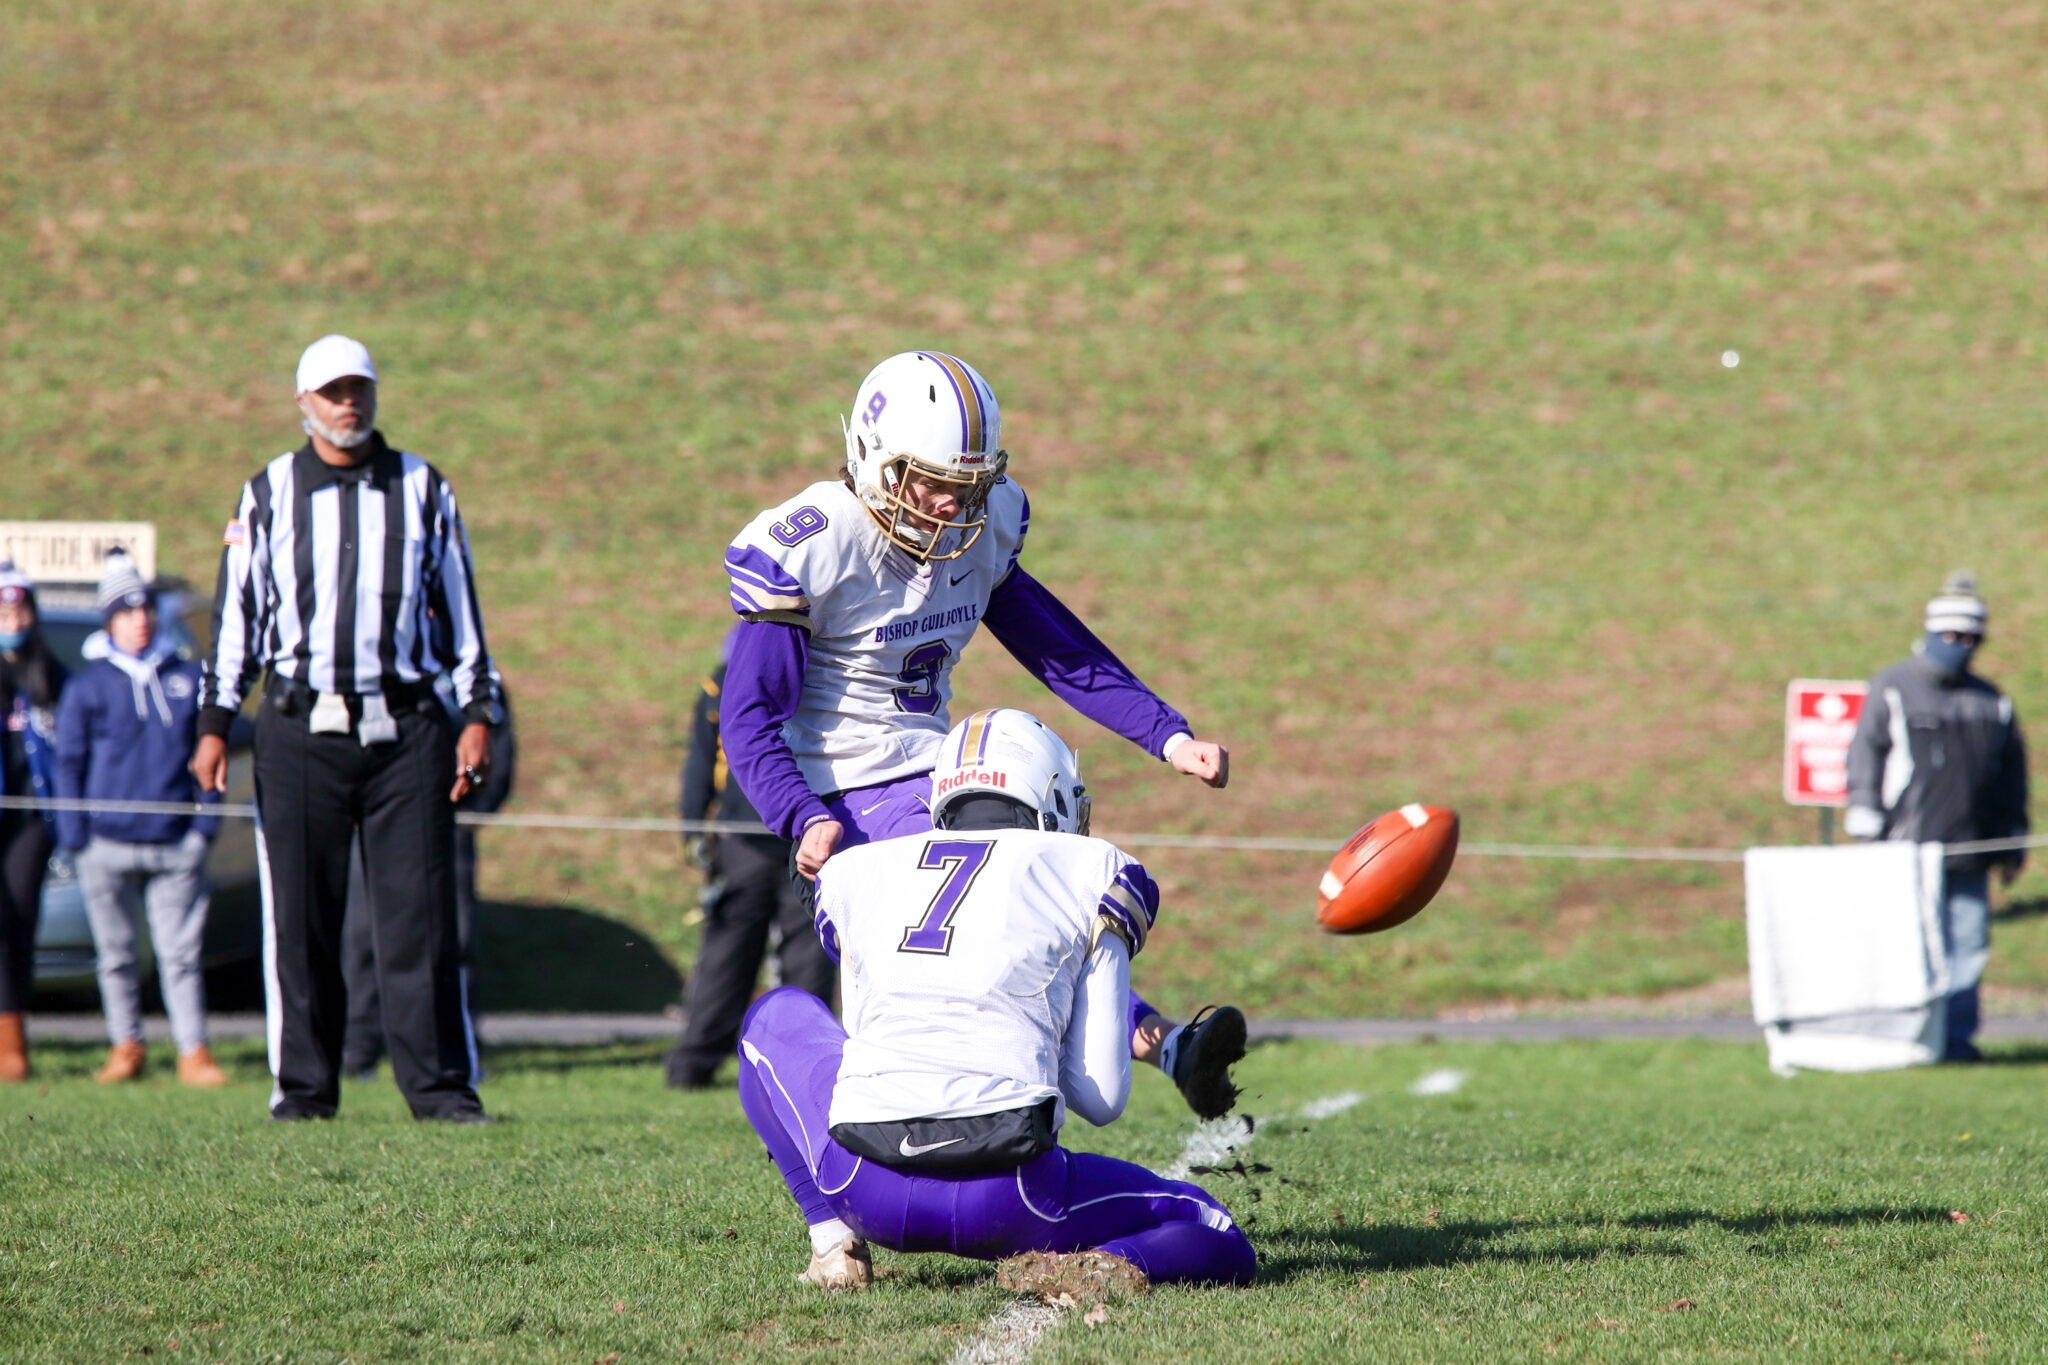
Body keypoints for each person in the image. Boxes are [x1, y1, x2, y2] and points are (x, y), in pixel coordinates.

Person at [721, 351, 1244, 1120]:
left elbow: (1057, 646)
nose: (947, 503)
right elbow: (749, 718)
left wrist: (1168, 736)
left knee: (1039, 875)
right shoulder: (815, 543)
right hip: (844, 786)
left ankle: (1162, 1045)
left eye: (967, 486)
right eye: (928, 480)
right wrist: (802, 815)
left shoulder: (983, 527)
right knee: (997, 928)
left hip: (935, 773)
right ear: (873, 459)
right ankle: (1151, 1050)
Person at [740, 708, 1256, 1293]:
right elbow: (1101, 1097)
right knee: (1213, 1226)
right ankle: (1115, 1265)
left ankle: (833, 1244)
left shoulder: (858, 871)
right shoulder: (1091, 869)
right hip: (1010, 1199)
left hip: (862, 1186)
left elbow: (859, 1038)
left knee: (772, 1016)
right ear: (1052, 795)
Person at [193, 334, 504, 1122]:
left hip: (407, 731)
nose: (348, 403)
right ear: (303, 403)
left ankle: (439, 1091)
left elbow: (462, 614)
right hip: (300, 730)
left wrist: (478, 713)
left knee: (419, 918)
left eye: (359, 387)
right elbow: (238, 619)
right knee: (300, 923)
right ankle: (303, 1091)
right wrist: (214, 722)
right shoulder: (265, 495)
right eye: (331, 391)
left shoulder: (424, 487)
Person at [54, 553, 228, 1087]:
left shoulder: (188, 677)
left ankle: (192, 1051)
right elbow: (68, 764)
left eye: (147, 609)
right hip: (105, 845)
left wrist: (205, 828)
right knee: (116, 956)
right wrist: (75, 837)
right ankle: (126, 1045)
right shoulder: (87, 687)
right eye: (128, 612)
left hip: (175, 843)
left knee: (180, 956)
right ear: (111, 620)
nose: (140, 619)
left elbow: (211, 753)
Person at [1845, 570, 2028, 1062]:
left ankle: (1955, 1042)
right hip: (1905, 849)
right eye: (1951, 636)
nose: (1961, 645)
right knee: (1904, 951)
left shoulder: (1993, 701)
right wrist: (1863, 816)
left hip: (1971, 853)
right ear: (1930, 632)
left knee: (1967, 950)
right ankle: (1902, 1039)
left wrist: (2013, 842)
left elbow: (2011, 779)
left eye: (1971, 638)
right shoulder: (1892, 687)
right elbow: (1865, 754)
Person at [666, 626, 833, 1090]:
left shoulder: (824, 673)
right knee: (727, 955)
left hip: (810, 834)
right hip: (744, 838)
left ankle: (809, 1067)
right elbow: (702, 760)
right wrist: (692, 826)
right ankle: (694, 1062)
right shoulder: (721, 682)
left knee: (811, 958)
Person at [339, 676, 515, 1080]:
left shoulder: (477, 680)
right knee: (364, 936)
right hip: (374, 820)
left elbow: (497, 741)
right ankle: (358, 1051)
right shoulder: (373, 665)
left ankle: (457, 1050)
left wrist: (476, 807)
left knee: (456, 940)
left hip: (451, 823)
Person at [0, 561, 66, 1084]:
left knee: (16, 920)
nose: (12, 616)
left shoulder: (51, 674)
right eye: (4, 608)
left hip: (29, 818)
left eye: (19, 607)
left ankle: (12, 1039)